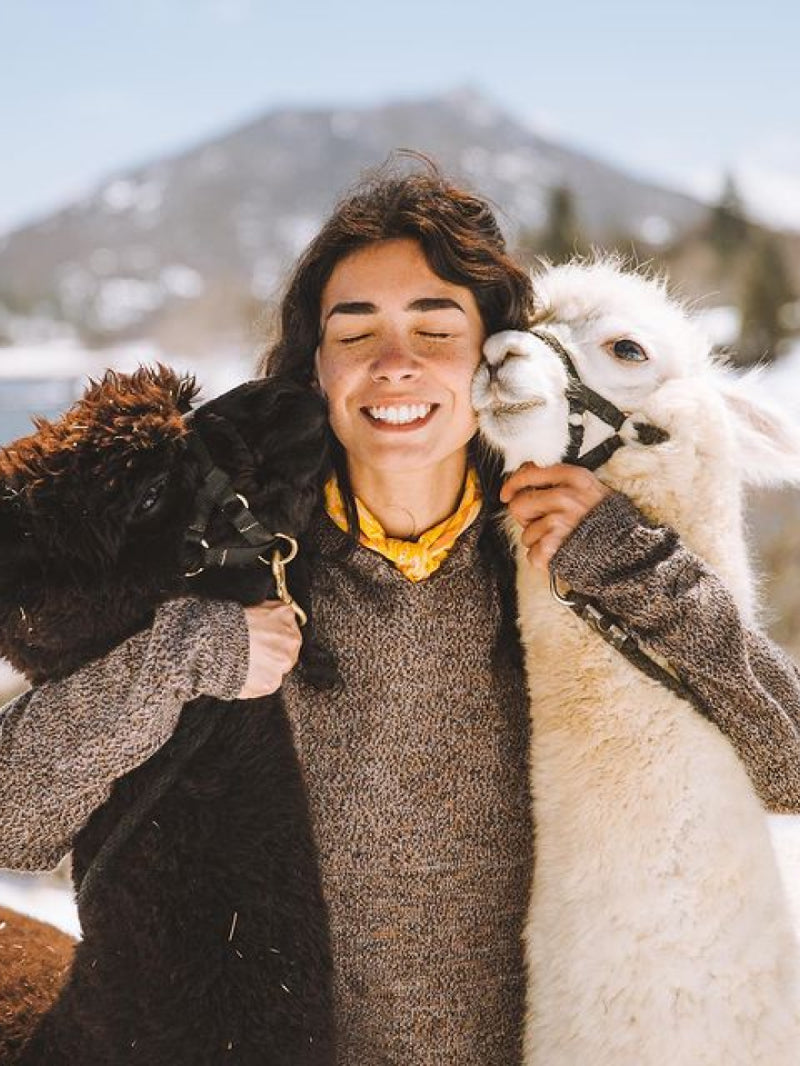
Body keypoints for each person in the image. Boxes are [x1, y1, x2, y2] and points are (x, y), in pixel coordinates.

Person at [2, 162, 800, 1065]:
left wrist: (632, 567)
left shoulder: (565, 571)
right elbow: (13, 813)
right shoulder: (221, 563)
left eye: (436, 327)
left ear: (493, 354)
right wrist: (190, 654)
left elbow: (789, 762)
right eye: (358, 331)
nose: (397, 364)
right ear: (317, 364)